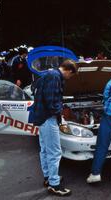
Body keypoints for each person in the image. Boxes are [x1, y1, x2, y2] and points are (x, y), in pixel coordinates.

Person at [31, 60, 78, 196]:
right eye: (71, 75)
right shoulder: (55, 77)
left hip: (41, 117)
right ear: (69, 70)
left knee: (45, 150)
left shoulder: (48, 74)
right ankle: (54, 184)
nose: (70, 78)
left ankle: (48, 177)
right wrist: (61, 113)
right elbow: (51, 101)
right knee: (55, 152)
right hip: (48, 118)